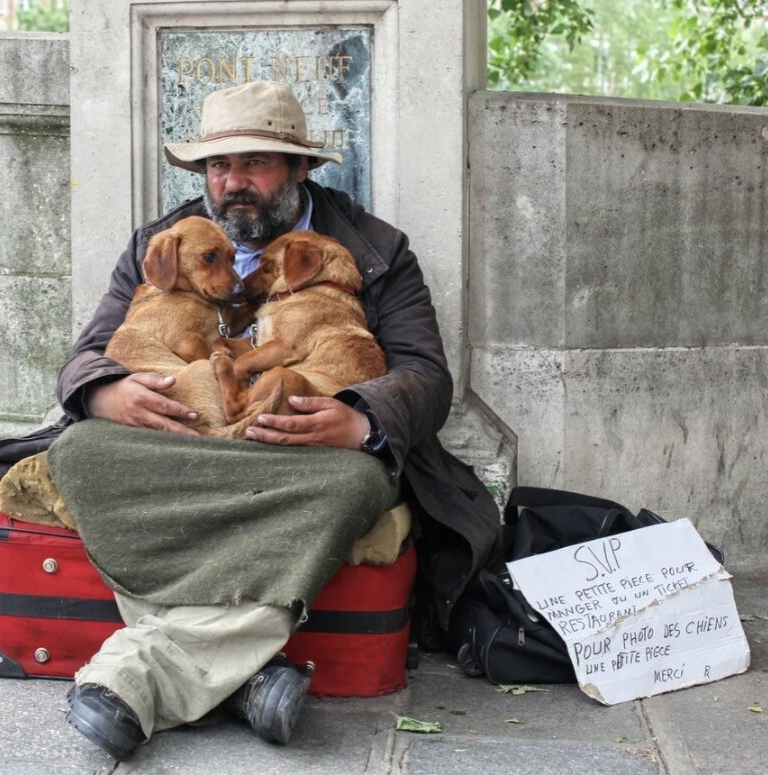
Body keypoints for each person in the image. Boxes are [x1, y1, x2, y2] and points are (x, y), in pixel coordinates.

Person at [48, 80, 503, 759]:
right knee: (79, 453)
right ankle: (242, 677)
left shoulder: (377, 250)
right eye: (216, 166)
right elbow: (85, 355)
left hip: (295, 453)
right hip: (180, 442)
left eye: (254, 163)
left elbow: (425, 376)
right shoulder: (161, 241)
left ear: (298, 169)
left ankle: (134, 676)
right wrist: (107, 393)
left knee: (355, 486)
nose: (233, 182)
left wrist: (357, 419)